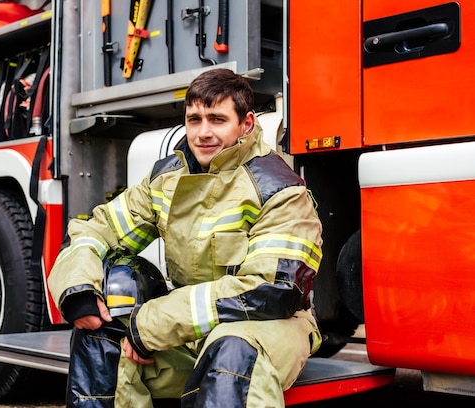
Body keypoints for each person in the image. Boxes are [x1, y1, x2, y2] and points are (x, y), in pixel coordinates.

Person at [48, 68, 323, 407]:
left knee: (232, 351)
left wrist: (150, 325)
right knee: (101, 333)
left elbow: (271, 291)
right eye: (194, 119)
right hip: (187, 331)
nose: (203, 133)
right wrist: (78, 291)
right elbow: (96, 230)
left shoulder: (280, 190)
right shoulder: (167, 179)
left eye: (217, 119)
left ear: (247, 124)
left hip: (268, 328)